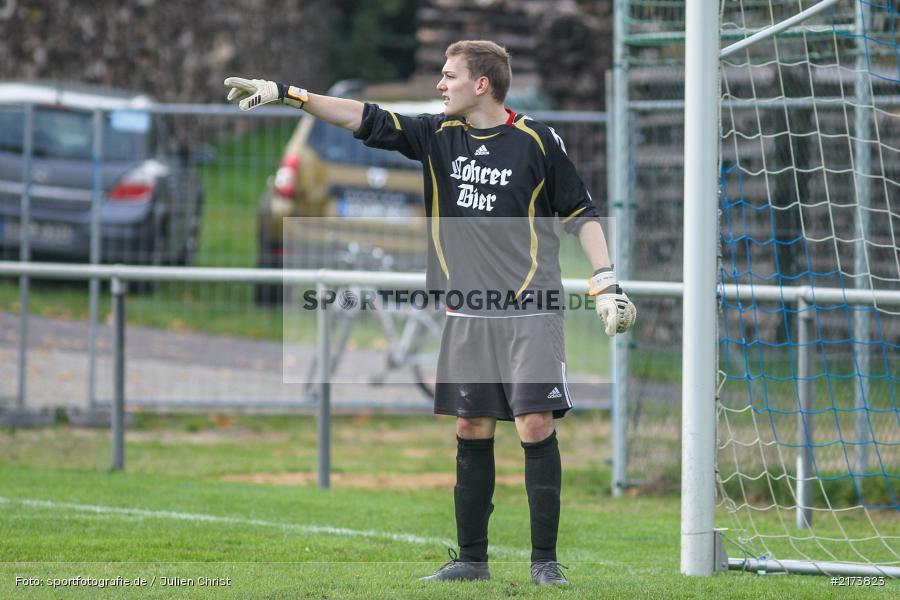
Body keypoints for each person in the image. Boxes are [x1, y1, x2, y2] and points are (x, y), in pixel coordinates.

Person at [225, 39, 636, 586]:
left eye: (449, 76)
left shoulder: (536, 139)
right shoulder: (438, 135)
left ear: (481, 84)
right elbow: (365, 118)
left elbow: (580, 211)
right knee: (471, 424)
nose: (440, 85)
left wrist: (606, 283)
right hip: (468, 311)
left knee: (534, 425)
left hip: (529, 309)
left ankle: (545, 564)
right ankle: (471, 560)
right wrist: (289, 95)